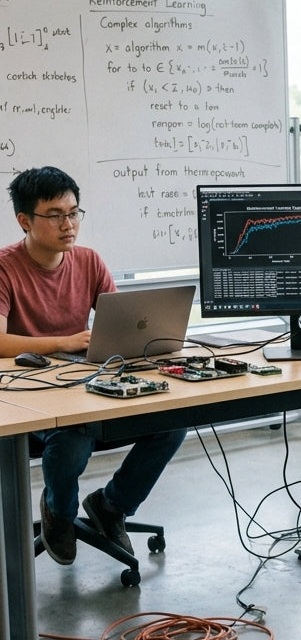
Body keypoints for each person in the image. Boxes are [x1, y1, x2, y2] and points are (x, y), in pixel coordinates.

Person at [1, 166, 186, 566]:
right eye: (55, 215)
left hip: (87, 387)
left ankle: (111, 505)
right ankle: (60, 513)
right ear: (24, 221)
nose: (69, 225)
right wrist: (63, 342)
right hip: (33, 401)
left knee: (171, 425)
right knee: (71, 441)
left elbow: (122, 327)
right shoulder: (5, 267)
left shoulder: (88, 261)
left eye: (74, 213)